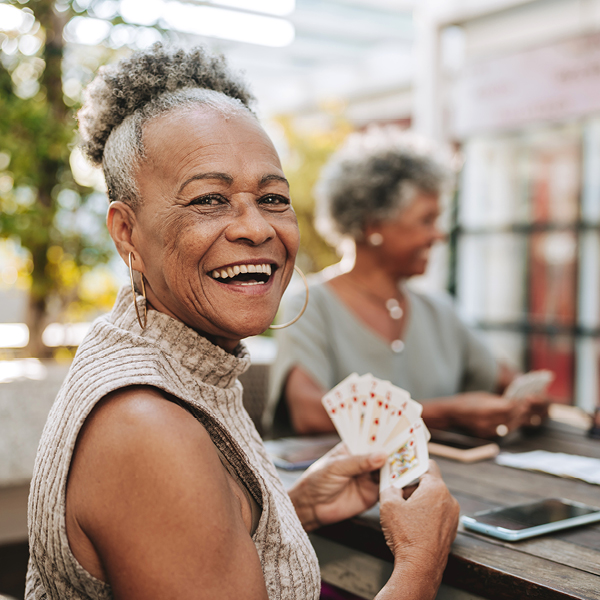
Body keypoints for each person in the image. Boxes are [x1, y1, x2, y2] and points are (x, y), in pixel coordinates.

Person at [26, 46, 459, 600]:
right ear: (126, 233)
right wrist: (421, 562)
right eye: (209, 199)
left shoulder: (172, 355)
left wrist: (291, 507)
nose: (255, 227)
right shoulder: (148, 429)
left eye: (273, 197)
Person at [266, 126, 549, 440]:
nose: (439, 235)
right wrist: (445, 412)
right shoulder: (309, 304)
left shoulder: (439, 310)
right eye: (426, 220)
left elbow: (509, 381)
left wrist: (529, 403)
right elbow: (309, 414)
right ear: (374, 224)